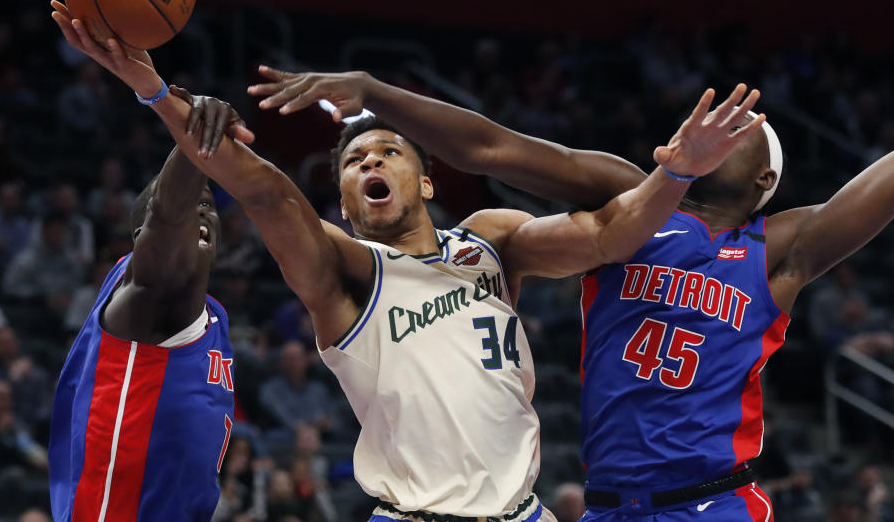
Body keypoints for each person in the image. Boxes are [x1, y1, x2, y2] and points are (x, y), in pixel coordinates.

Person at [51, 0, 763, 522]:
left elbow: (610, 235)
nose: (370, 163)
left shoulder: (491, 241)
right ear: (345, 202)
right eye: (355, 162)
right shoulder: (346, 271)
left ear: (424, 181)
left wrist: (680, 175)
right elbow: (267, 194)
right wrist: (156, 94)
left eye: (387, 151)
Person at [251, 66, 894, 521]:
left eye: (742, 123)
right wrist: (375, 93)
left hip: (712, 502)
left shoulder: (780, 248)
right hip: (609, 507)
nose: (721, 120)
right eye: (712, 113)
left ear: (764, 177)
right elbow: (489, 148)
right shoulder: (626, 193)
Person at [46, 71, 255, 520]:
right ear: (141, 238)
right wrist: (196, 141)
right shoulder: (143, 294)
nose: (202, 211)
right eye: (191, 202)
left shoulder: (211, 316)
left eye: (210, 205)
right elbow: (167, 215)